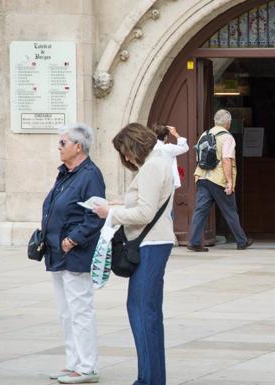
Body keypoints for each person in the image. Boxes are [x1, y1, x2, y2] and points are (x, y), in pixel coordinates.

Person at [93, 123, 175, 385]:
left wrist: (112, 214)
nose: (127, 158)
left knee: (141, 311)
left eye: (126, 152)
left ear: (135, 145)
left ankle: (149, 380)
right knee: (147, 312)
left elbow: (145, 213)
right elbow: (145, 203)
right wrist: (119, 203)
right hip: (154, 243)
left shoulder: (152, 167)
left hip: (150, 245)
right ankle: (151, 377)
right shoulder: (158, 161)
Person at [42, 123, 105, 384]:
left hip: (75, 252)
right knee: (65, 312)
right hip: (57, 251)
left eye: (63, 143)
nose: (59, 147)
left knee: (80, 310)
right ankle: (73, 362)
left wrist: (73, 239)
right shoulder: (65, 173)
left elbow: (95, 214)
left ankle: (87, 366)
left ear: (78, 147)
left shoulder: (90, 175)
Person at [187, 109, 253, 251]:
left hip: (202, 177)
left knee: (200, 211)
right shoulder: (227, 137)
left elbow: (199, 158)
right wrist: (229, 182)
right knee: (230, 210)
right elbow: (226, 160)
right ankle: (242, 241)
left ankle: (194, 242)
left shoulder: (205, 134)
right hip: (218, 179)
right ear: (228, 123)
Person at [151, 123, 189, 189]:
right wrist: (175, 134)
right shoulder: (168, 148)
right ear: (165, 136)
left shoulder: (149, 148)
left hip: (152, 182)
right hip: (166, 184)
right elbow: (185, 148)